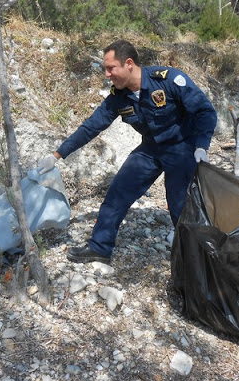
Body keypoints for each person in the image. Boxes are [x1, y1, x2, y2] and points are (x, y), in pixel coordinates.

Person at [37, 39, 217, 264]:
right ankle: (99, 248)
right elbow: (92, 126)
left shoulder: (168, 79)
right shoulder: (118, 97)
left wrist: (201, 145)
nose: (106, 74)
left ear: (129, 63)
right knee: (117, 194)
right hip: (150, 149)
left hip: (182, 148)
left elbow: (205, 111)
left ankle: (198, 261)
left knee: (180, 206)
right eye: (105, 68)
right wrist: (57, 155)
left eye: (111, 68)